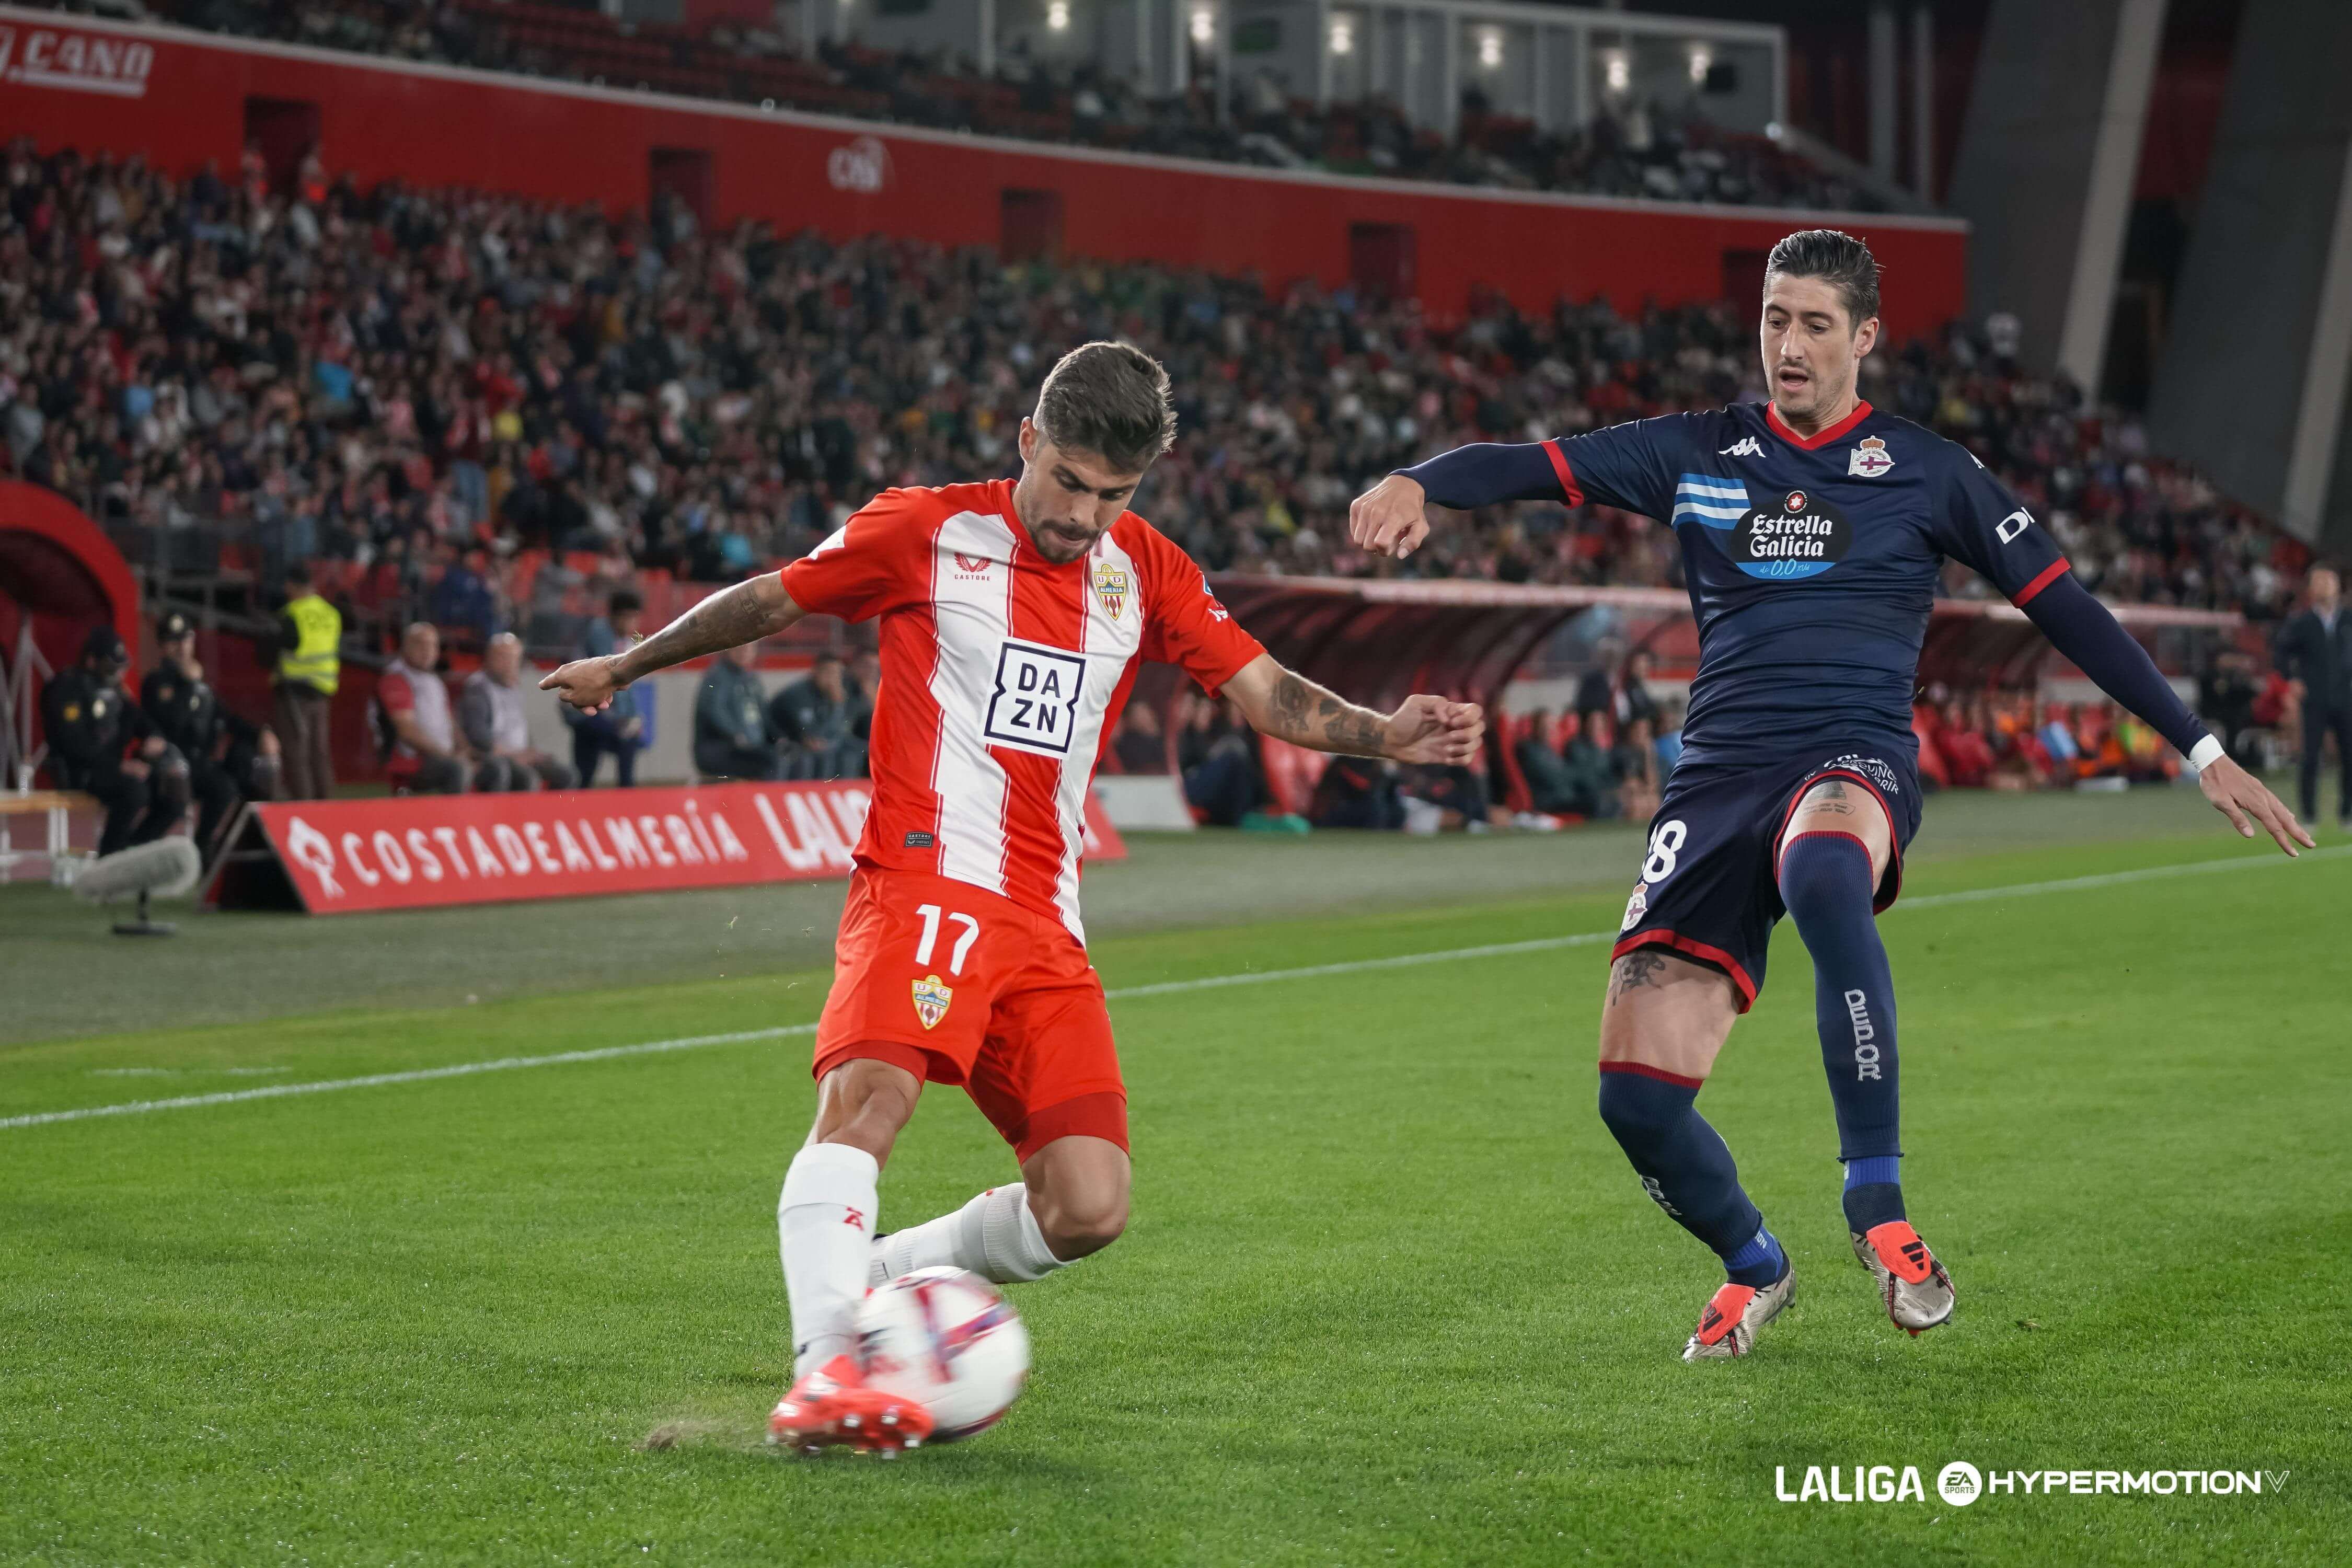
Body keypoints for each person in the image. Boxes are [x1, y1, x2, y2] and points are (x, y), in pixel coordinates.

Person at [1350, 228, 2305, 1363]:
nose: (1787, 345)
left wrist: (2201, 750)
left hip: (1851, 755)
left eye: (1813, 323)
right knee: (1635, 1101)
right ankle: (1756, 1266)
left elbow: (2068, 610)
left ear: (1864, 338)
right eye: (1773, 319)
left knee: (1823, 871)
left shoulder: (1931, 471)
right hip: (1715, 781)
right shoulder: (1694, 452)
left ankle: (1880, 1206)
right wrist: (1417, 479)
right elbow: (1526, 464)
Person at [543, 340, 1482, 1450]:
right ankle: (825, 1369)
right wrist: (626, 664)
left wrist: (1385, 736)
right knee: (868, 1104)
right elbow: (770, 599)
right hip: (925, 877)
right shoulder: (925, 529)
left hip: (1045, 922)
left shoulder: (1151, 573)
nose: (1086, 515)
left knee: (1089, 1207)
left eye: (1115, 494)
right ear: (1029, 442)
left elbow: (1267, 691)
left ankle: (870, 1280)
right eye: (1072, 482)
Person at [142, 611, 281, 859]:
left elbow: (226, 718)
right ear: (163, 647)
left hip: (201, 764)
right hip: (172, 765)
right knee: (222, 787)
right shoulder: (156, 683)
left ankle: (230, 842)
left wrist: (262, 733)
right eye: (175, 642)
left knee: (247, 765)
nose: (182, 648)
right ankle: (203, 846)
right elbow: (171, 726)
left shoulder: (201, 685)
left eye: (187, 640)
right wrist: (186, 685)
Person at [42, 626, 189, 856]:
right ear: (92, 661)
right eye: (112, 665)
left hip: (116, 770)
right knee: (135, 792)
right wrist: (119, 766)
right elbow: (72, 744)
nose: (118, 673)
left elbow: (143, 722)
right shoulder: (67, 688)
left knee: (173, 793)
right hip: (82, 772)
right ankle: (110, 857)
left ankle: (134, 853)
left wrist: (154, 739)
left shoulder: (117, 693)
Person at [2270, 565, 2351, 829]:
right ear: (2311, 590)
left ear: (2338, 586)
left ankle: (2347, 813)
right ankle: (2308, 816)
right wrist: (2292, 679)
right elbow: (2280, 652)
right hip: (2315, 700)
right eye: (2319, 582)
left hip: (2346, 698)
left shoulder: (2348, 620)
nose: (2325, 587)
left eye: (2329, 581)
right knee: (2311, 757)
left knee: (2349, 756)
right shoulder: (2302, 623)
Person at [459, 634, 578, 792]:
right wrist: (514, 755)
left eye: (514, 659)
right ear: (488, 658)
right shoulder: (478, 688)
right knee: (527, 778)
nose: (509, 664)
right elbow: (478, 735)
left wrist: (530, 751)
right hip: (494, 756)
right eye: (503, 658)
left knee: (566, 775)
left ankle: (551, 816)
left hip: (520, 755)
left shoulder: (514, 688)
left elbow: (519, 727)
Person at [375, 622, 468, 794]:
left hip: (443, 756)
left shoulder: (435, 681)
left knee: (494, 768)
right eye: (420, 644)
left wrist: (465, 750)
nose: (427, 650)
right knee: (457, 769)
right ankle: (453, 819)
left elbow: (450, 722)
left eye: (433, 645)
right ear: (405, 646)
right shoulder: (396, 678)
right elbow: (407, 731)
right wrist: (447, 755)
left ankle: (495, 819)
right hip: (413, 760)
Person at [272, 563, 340, 799]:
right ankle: (327, 807)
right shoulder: (331, 613)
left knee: (296, 754)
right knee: (320, 753)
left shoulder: (291, 613)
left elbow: (277, 649)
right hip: (323, 691)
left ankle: (305, 807)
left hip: (294, 691)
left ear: (291, 585)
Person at [568, 590, 648, 787]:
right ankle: (627, 797)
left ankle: (623, 794)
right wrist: (625, 721)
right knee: (622, 742)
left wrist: (632, 718)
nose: (633, 624)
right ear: (616, 616)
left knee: (587, 769)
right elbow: (611, 680)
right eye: (629, 618)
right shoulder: (600, 634)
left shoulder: (623, 641)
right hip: (586, 711)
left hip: (597, 713)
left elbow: (626, 688)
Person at [693, 643, 783, 780]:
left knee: (793, 759)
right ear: (728, 650)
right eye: (740, 648)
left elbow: (763, 716)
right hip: (721, 748)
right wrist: (735, 735)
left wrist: (779, 738)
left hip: (752, 747)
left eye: (749, 648)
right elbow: (714, 713)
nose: (744, 652)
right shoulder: (715, 678)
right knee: (769, 762)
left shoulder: (752, 679)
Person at [768, 650, 857, 780]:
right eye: (828, 672)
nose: (832, 678)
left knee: (850, 755)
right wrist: (836, 706)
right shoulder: (798, 694)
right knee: (813, 758)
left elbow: (837, 732)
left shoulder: (833, 694)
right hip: (783, 743)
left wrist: (837, 706)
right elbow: (811, 737)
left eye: (837, 674)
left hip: (811, 744)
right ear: (815, 671)